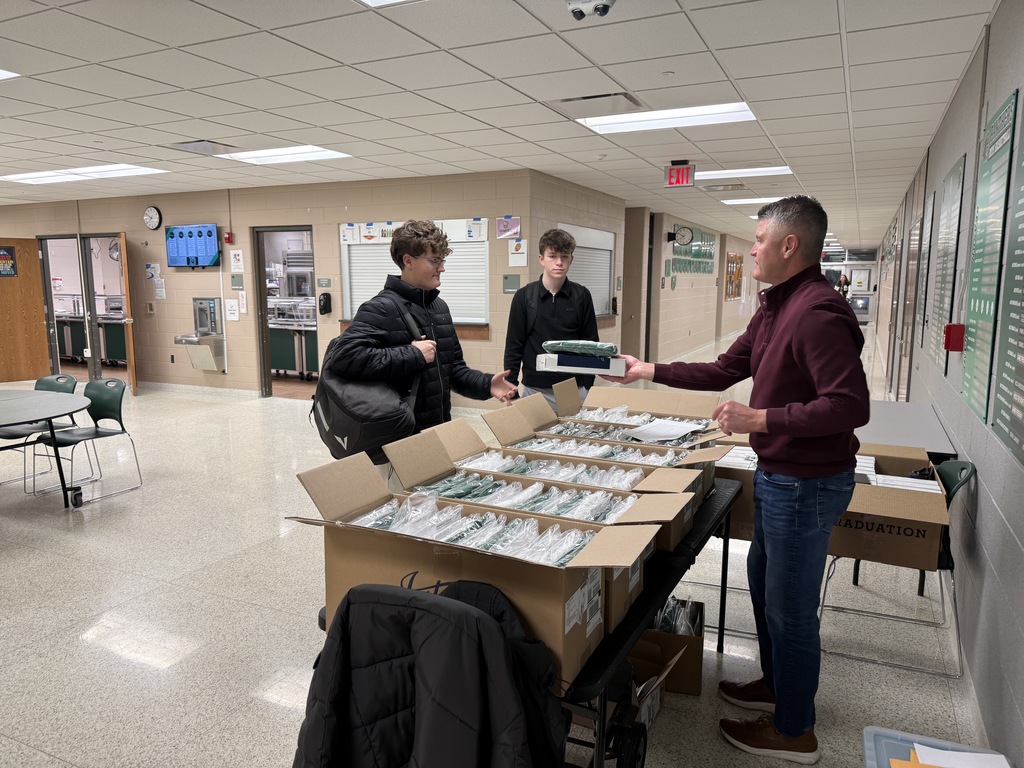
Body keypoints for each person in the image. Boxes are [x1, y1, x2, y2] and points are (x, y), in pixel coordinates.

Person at [602, 196, 869, 765]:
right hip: (779, 476)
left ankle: (795, 731)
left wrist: (761, 419)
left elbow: (848, 405)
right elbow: (727, 368)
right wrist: (649, 369)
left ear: (789, 245)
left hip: (807, 482)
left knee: (789, 609)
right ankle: (776, 687)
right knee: (765, 585)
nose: (750, 250)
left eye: (758, 241)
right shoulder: (777, 307)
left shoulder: (817, 311)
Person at [330, 220, 517, 480]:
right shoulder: (381, 308)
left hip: (437, 434)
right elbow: (343, 358)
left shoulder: (438, 307)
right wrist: (413, 354)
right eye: (434, 260)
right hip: (399, 442)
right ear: (408, 260)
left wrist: (487, 385)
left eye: (442, 260)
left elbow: (453, 370)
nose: (442, 268)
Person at [503, 229, 600, 411]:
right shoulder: (524, 297)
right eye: (552, 256)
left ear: (571, 259)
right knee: (534, 439)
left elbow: (591, 344)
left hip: (574, 387)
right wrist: (511, 386)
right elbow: (514, 346)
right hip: (534, 389)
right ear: (541, 259)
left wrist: (588, 384)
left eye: (564, 256)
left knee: (574, 439)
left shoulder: (582, 296)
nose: (559, 263)